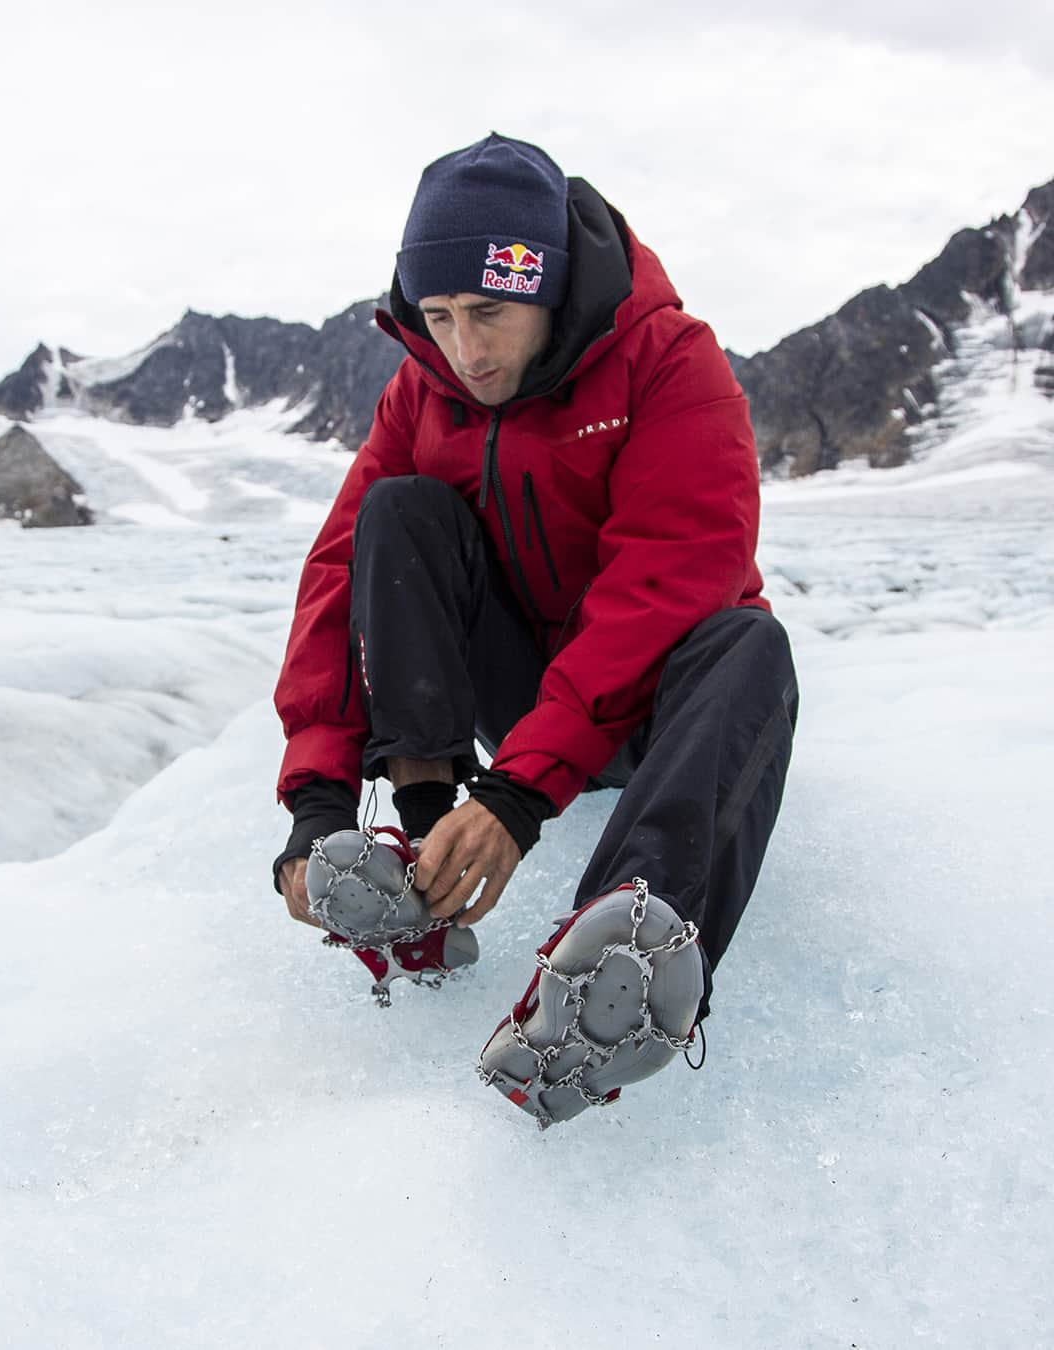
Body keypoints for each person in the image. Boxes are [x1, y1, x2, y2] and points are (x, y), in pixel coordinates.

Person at [272, 132, 798, 1128]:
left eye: (490, 313)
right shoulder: (421, 391)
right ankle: (421, 867)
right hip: (520, 703)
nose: (466, 351)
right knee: (397, 516)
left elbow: (677, 575)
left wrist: (519, 796)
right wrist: (316, 799)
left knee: (747, 644)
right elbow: (340, 574)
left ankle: (622, 964)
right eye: (438, 316)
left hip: (656, 713)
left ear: (548, 289)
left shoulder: (671, 361)